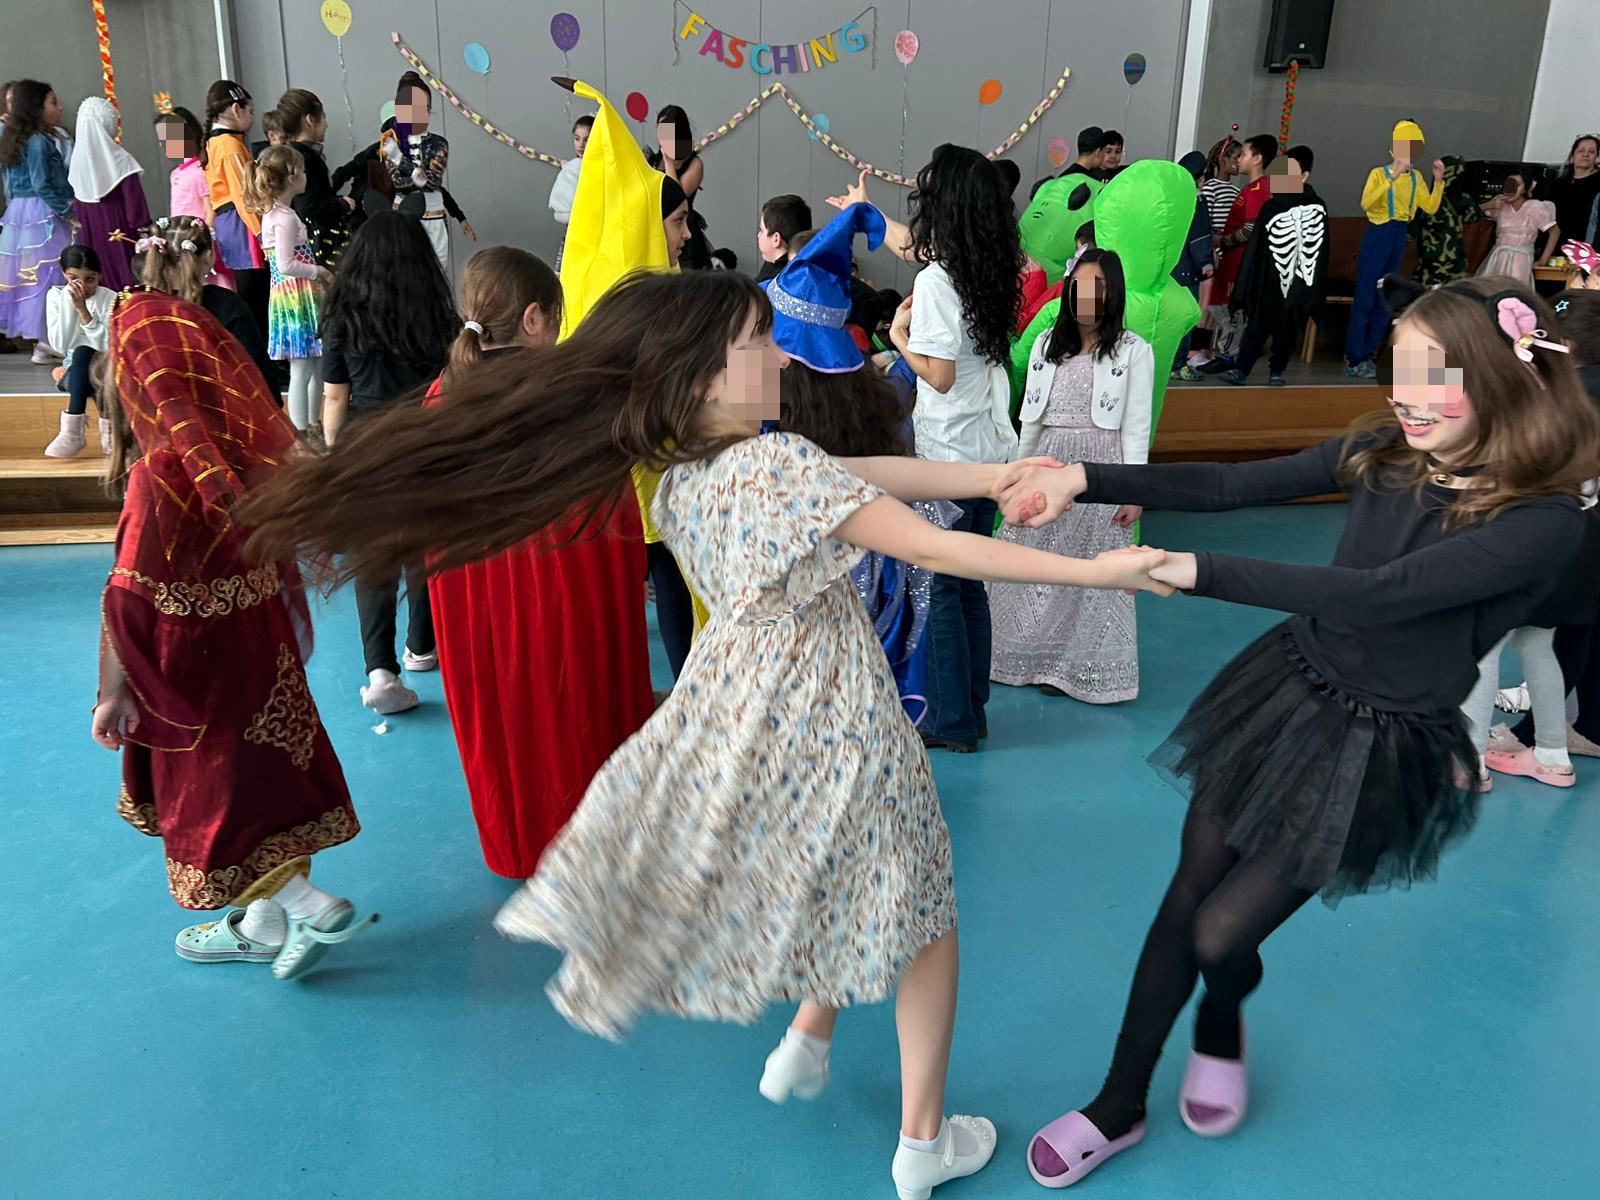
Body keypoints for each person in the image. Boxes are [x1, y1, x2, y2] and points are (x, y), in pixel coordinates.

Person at [240, 268, 1169, 1200]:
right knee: (926, 914)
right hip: (841, 717)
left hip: (757, 718)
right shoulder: (779, 465)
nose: (779, 358)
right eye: (758, 343)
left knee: (855, 868)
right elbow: (927, 542)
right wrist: (1100, 574)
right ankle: (924, 1141)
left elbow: (858, 478)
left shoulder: (684, 478)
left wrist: (990, 477)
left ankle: (808, 1036)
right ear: (699, 378)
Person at [1000, 275, 1598, 1187]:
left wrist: (1192, 570)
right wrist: (1084, 477)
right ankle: (1118, 1104)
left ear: (1497, 376)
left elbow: (1379, 596)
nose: (1407, 397)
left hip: (1383, 742)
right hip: (1291, 688)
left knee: (1221, 934)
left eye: (1433, 376)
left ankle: (1220, 1020)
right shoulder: (1385, 446)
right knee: (1187, 896)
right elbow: (1233, 481)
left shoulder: (1542, 521)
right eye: (1400, 371)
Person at [94, 288, 376, 980]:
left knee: (219, 794)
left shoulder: (159, 477)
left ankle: (309, 905)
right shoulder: (244, 461)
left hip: (195, 672)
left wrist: (113, 691)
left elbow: (129, 594)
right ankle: (262, 925)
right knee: (266, 779)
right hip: (261, 654)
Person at [430, 245, 654, 877]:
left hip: (474, 606)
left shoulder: (442, 397)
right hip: (561, 595)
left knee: (503, 718)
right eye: (556, 318)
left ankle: (516, 842)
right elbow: (609, 513)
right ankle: (588, 849)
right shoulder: (570, 396)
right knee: (573, 712)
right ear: (533, 319)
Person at [888, 145, 1022, 753]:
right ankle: (972, 710)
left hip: (947, 455)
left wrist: (899, 339)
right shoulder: (990, 269)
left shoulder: (937, 280)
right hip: (989, 449)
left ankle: (949, 720)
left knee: (941, 586)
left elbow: (938, 377)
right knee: (968, 585)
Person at [991, 249, 1152, 702]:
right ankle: (1021, 656)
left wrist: (1133, 489)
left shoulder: (1134, 351)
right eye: (1079, 286)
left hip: (1100, 472)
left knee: (1088, 568)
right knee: (1032, 557)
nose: (1086, 296)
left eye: (1097, 286)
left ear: (1113, 292)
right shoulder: (1046, 345)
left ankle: (1071, 666)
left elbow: (1136, 425)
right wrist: (1018, 472)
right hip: (1048, 465)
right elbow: (1031, 419)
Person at [318, 210, 458, 713]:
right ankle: (422, 646)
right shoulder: (440, 315)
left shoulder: (342, 315)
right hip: (424, 437)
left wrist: (334, 456)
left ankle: (380, 671)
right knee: (424, 545)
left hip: (365, 440)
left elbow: (335, 396)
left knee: (375, 554)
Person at [1486, 287, 1600, 766]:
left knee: (1542, 635)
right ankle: (1587, 728)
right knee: (1585, 628)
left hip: (1576, 531)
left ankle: (1532, 738)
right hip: (1588, 528)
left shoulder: (1571, 400)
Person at [1345, 119, 1445, 377]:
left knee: (1384, 296)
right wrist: (1392, 176)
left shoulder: (1416, 178)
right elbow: (1367, 203)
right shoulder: (1379, 174)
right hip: (1378, 233)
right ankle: (1354, 358)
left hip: (1399, 235)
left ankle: (1368, 355)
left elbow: (1430, 207)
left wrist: (1438, 182)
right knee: (1365, 296)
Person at [244, 145, 333, 433]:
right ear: (292, 177)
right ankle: (301, 430)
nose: (307, 176)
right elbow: (285, 264)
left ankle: (312, 423)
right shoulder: (283, 218)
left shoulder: (279, 214)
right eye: (304, 171)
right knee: (302, 368)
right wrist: (319, 271)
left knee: (314, 364)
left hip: (301, 294)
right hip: (295, 297)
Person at [1223, 147, 1329, 387]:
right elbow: (1256, 248)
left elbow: (1320, 252)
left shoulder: (1317, 207)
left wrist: (1311, 288)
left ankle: (1277, 370)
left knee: (1288, 328)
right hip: (1268, 283)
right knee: (1257, 326)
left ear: (1304, 175)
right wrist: (1248, 284)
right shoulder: (1270, 207)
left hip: (1298, 286)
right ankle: (1242, 370)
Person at [134, 215, 275, 391]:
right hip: (224, 405)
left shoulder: (142, 306)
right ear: (209, 256)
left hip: (163, 405)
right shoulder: (227, 304)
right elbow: (261, 378)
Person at [0, 80, 76, 356]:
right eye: (52, 102)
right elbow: (42, 184)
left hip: (22, 212)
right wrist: (69, 214)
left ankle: (43, 342)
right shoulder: (38, 142)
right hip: (42, 213)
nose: (59, 107)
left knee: (36, 277)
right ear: (37, 108)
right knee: (50, 274)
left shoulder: (18, 139)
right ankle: (47, 339)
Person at [381, 71, 475, 273]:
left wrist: (400, 160)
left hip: (434, 219)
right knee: (403, 274)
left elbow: (434, 181)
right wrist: (417, 175)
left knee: (436, 274)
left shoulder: (439, 143)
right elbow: (398, 182)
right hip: (403, 218)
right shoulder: (391, 142)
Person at [1206, 133, 1277, 369]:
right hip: (1232, 260)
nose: (1239, 159)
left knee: (1231, 310)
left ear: (1257, 159)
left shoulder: (1258, 190)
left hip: (1239, 261)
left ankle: (1229, 355)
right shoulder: (1250, 189)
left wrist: (1222, 241)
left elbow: (1249, 230)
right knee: (1220, 306)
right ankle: (1228, 352)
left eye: (1243, 154)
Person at [203, 80, 268, 334]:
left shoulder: (217, 142)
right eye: (250, 111)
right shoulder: (229, 146)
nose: (252, 119)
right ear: (236, 109)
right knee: (256, 298)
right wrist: (262, 233)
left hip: (232, 222)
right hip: (243, 224)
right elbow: (244, 195)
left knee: (252, 295)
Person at [68, 97, 151, 290]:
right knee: (127, 275)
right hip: (120, 227)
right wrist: (145, 231)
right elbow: (135, 209)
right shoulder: (120, 161)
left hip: (93, 232)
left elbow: (80, 209)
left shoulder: (77, 164)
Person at [41, 244, 115, 457]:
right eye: (74, 279)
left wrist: (83, 311)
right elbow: (60, 345)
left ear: (100, 275)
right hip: (75, 367)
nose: (82, 286)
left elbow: (107, 345)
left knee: (87, 354)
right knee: (82, 354)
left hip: (107, 364)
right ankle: (111, 433)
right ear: (64, 274)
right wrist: (70, 302)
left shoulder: (110, 298)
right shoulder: (56, 296)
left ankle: (73, 431)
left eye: (89, 279)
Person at [276, 88, 354, 269]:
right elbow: (308, 205)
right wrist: (341, 204)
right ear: (310, 120)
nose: (326, 124)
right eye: (323, 117)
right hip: (321, 246)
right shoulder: (305, 158)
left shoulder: (292, 154)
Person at [646, 103, 713, 270]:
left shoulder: (694, 163)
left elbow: (676, 198)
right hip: (657, 230)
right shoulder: (653, 160)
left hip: (682, 229)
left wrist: (669, 162)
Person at [1171, 150, 1216, 380]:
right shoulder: (1197, 200)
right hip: (1188, 269)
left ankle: (1167, 363)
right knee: (1186, 317)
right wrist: (1205, 262)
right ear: (1199, 179)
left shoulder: (1171, 197)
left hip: (1169, 269)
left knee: (1169, 317)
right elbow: (1199, 235)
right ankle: (1179, 364)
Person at [1477, 172, 1556, 287]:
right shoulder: (1499, 204)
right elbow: (1471, 213)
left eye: (1517, 185)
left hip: (1521, 259)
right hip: (1498, 257)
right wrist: (1490, 204)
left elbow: (1554, 232)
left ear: (1526, 189)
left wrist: (1543, 260)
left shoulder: (1535, 207)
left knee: (1515, 289)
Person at [1410, 155, 1477, 287]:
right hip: (1454, 260)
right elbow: (1474, 215)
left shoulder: (1426, 198)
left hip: (1429, 258)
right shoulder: (1463, 199)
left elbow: (1412, 229)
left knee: (1427, 293)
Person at [1538, 134, 1600, 261]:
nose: (1585, 155)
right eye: (1581, 150)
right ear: (1572, 155)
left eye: (1591, 152)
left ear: (1597, 157)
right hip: (1553, 248)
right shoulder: (1559, 183)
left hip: (1585, 251)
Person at [546, 113, 593, 264]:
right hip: (574, 233)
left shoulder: (601, 168)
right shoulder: (572, 168)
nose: (581, 145)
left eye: (587, 139)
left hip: (592, 234)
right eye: (577, 138)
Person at [756, 192, 811, 282]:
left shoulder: (775, 282)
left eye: (761, 230)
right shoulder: (805, 271)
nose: (758, 235)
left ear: (776, 239)